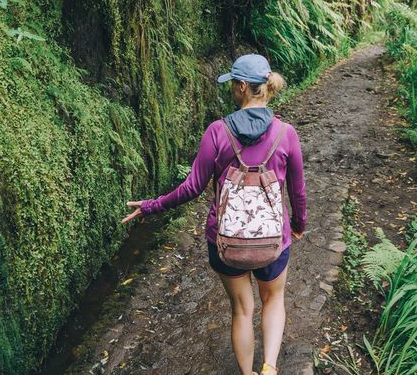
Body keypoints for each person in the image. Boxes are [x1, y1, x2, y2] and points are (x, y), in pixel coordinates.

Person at [122, 53, 307, 375]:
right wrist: (298, 225)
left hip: (225, 242)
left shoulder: (217, 132)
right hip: (273, 238)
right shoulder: (286, 133)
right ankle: (269, 367)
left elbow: (192, 187)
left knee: (241, 310)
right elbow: (298, 191)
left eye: (232, 85)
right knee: (273, 300)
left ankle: (247, 373)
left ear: (240, 87)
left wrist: (151, 205)